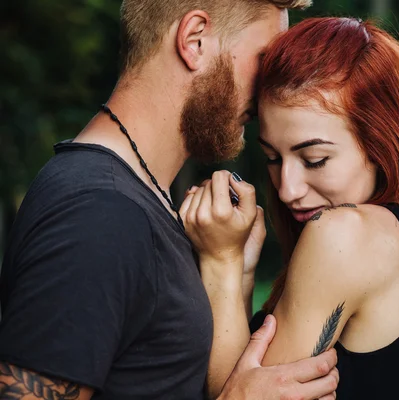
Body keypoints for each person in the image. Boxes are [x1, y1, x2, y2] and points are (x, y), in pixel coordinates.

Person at [0, 1, 340, 399]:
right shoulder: (98, 213)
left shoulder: (137, 202)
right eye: (263, 60)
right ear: (194, 40)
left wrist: (232, 272)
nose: (270, 89)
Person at [182, 17, 399, 399]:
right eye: (272, 158)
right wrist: (242, 270)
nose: (287, 190)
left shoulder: (344, 236)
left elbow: (235, 392)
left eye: (314, 159)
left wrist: (220, 262)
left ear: (381, 145)